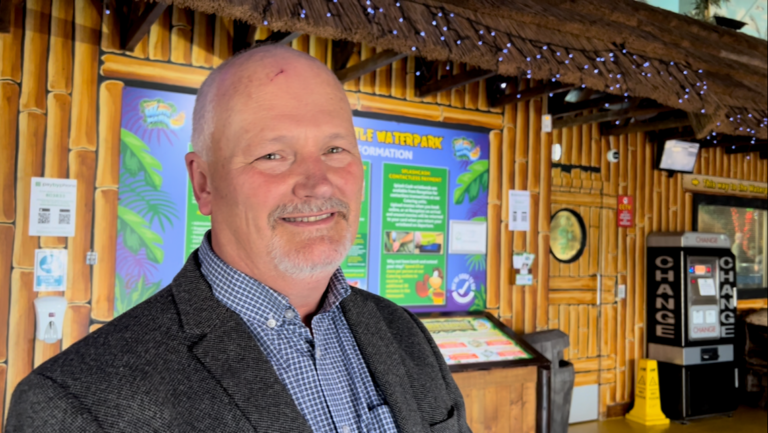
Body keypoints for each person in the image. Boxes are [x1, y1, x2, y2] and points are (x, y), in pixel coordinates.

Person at [6, 45, 469, 433]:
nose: (317, 184)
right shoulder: (77, 404)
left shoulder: (403, 333)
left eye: (334, 149)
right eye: (272, 155)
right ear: (204, 184)